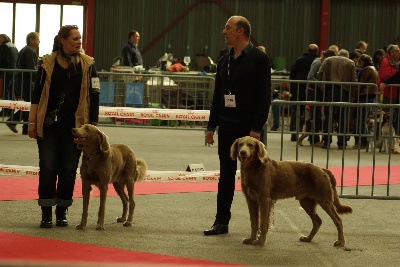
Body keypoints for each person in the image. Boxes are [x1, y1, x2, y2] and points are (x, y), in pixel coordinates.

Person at [204, 16, 271, 235]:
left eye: (228, 28)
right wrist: (211, 127)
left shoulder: (259, 58)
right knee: (226, 175)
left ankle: (262, 226)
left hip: (251, 131)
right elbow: (217, 97)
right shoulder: (224, 60)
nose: (224, 31)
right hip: (227, 128)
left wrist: (256, 128)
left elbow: (264, 97)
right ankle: (221, 221)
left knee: (260, 179)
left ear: (240, 31)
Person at [27, 25, 99, 228]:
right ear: (63, 41)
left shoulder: (89, 64)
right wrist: (32, 123)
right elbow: (36, 95)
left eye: (80, 38)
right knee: (48, 168)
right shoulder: (46, 63)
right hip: (48, 125)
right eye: (75, 38)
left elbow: (95, 94)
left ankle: (62, 211)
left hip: (75, 127)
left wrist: (92, 126)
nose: (79, 41)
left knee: (68, 170)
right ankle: (46, 212)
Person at [317, 49, 358, 149]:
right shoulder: (350, 62)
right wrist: (352, 94)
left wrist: (322, 87)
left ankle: (326, 142)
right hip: (344, 91)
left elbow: (319, 73)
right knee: (342, 118)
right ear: (347, 56)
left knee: (328, 117)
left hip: (329, 90)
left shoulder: (328, 60)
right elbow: (354, 80)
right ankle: (341, 142)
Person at [5, 32, 40, 134]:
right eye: (38, 40)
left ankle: (25, 128)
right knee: (30, 105)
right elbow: (31, 69)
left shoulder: (25, 50)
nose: (39, 42)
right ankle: (13, 120)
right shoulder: (29, 51)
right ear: (32, 40)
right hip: (27, 82)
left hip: (23, 81)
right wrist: (37, 78)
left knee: (28, 104)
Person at [289, 44, 319, 141]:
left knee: (296, 109)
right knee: (312, 111)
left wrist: (292, 87)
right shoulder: (318, 61)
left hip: (298, 87)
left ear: (307, 50)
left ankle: (294, 132)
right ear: (317, 51)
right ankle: (311, 134)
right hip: (313, 88)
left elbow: (292, 74)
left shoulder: (299, 60)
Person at [306, 49, 336, 146]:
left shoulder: (323, 63)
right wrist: (321, 84)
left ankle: (313, 138)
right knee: (315, 116)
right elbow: (310, 76)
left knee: (317, 116)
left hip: (317, 91)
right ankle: (314, 140)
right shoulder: (317, 62)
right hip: (313, 91)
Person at [353, 54, 378, 149]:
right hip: (370, 96)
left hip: (365, 96)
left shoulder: (367, 69)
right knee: (363, 120)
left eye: (360, 62)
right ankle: (364, 141)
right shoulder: (373, 68)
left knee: (362, 120)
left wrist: (355, 94)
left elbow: (361, 83)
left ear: (362, 61)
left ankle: (363, 142)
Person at [0, 34, 18, 117]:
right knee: (11, 92)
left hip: (6, 71)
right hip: (13, 71)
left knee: (6, 92)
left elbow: (3, 60)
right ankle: (11, 110)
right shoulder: (13, 46)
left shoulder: (4, 46)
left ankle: (5, 110)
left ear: (2, 39)